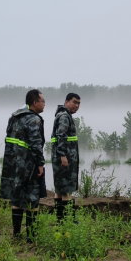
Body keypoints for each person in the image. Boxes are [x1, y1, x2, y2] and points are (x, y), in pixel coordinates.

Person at [0, 89, 47, 242]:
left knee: (17, 198)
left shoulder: (14, 116)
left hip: (13, 165)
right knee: (32, 198)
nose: (44, 104)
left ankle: (16, 234)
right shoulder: (34, 119)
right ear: (35, 103)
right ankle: (31, 237)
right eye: (43, 101)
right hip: (28, 165)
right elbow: (35, 145)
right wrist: (40, 164)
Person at [51, 93, 81, 222]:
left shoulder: (63, 115)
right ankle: (69, 220)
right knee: (67, 191)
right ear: (66, 102)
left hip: (62, 158)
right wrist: (63, 156)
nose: (77, 105)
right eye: (74, 102)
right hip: (65, 159)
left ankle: (60, 220)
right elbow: (61, 137)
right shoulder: (64, 117)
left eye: (79, 103)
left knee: (59, 189)